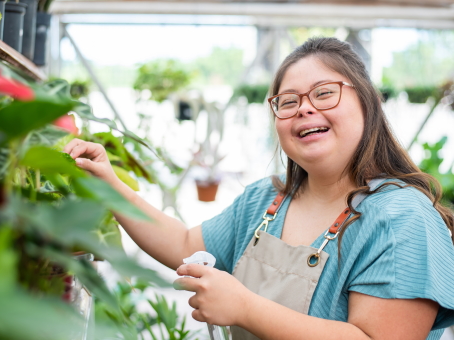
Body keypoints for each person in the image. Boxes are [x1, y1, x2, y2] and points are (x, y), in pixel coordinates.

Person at [64, 37, 454, 340]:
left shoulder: (401, 218)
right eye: (288, 101)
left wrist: (245, 308)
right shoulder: (265, 201)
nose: (304, 108)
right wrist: (109, 184)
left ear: (367, 104)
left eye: (323, 93)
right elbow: (184, 244)